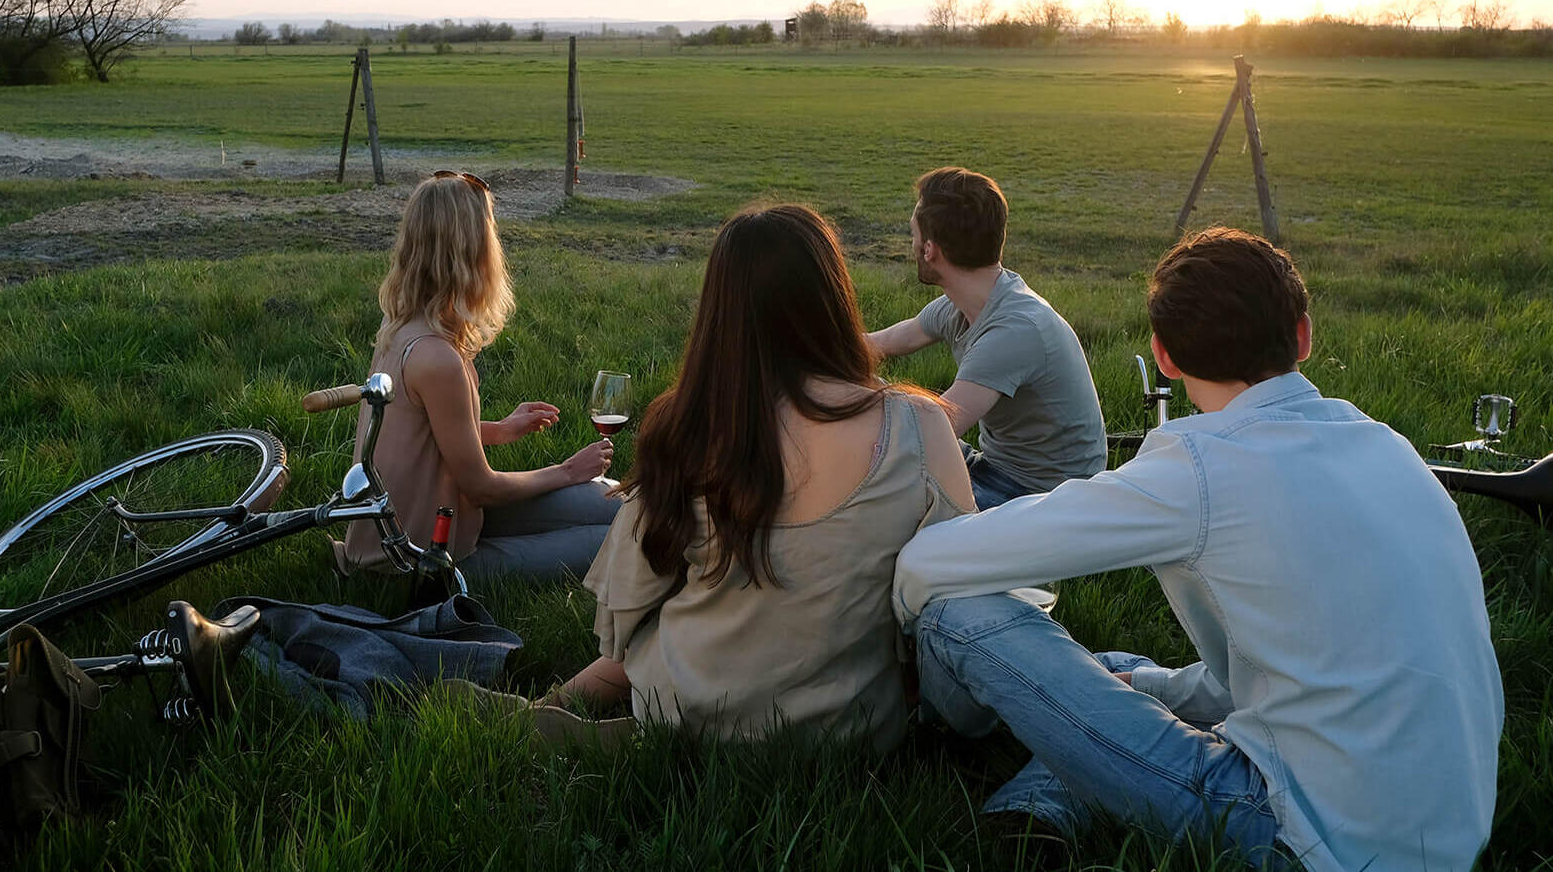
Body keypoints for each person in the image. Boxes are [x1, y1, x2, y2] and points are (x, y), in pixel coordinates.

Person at [892, 228, 1503, 871]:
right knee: (1120, 667)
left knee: (959, 615)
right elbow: (1295, 672)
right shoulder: (1387, 445)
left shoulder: (1200, 468)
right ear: (1303, 336)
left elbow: (932, 562)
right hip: (1447, 834)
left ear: (1164, 357)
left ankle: (941, 742)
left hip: (1298, 839)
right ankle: (1033, 813)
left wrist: (913, 636)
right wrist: (1138, 685)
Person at [547, 205, 975, 753]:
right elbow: (958, 591)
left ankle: (560, 710)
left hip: (686, 710)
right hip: (852, 730)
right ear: (834, 298)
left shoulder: (690, 424)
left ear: (718, 312)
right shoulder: (919, 426)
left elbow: (627, 606)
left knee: (675, 596)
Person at [334, 171, 618, 582]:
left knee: (619, 508)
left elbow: (428, 438)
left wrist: (500, 430)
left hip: (435, 522)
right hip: (422, 558)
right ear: (471, 250)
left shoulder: (402, 327)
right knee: (617, 540)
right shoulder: (435, 357)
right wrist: (568, 471)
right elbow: (482, 487)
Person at [868, 167, 1106, 507]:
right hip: (993, 467)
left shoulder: (1015, 330)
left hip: (1047, 496)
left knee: (895, 512)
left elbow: (934, 431)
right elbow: (879, 344)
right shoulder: (962, 306)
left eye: (913, 235)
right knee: (877, 416)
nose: (913, 243)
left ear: (929, 250)